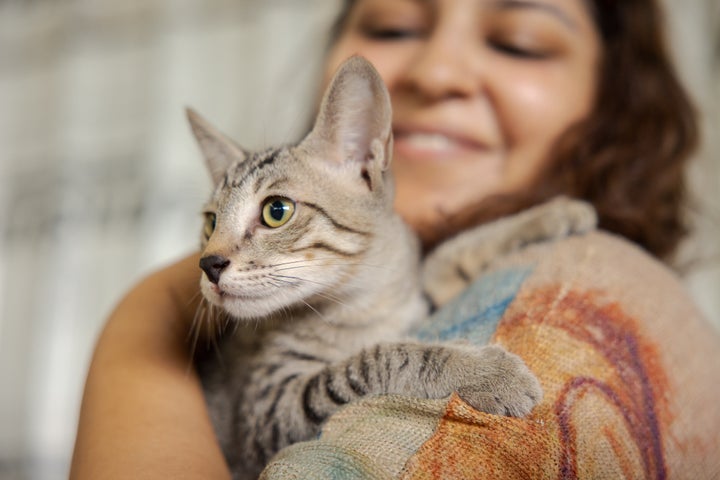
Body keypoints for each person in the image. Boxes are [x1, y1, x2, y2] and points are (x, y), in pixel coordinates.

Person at [70, 0, 719, 478]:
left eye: (519, 42)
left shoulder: (585, 295)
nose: (437, 73)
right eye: (393, 27)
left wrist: (140, 327)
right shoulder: (370, 271)